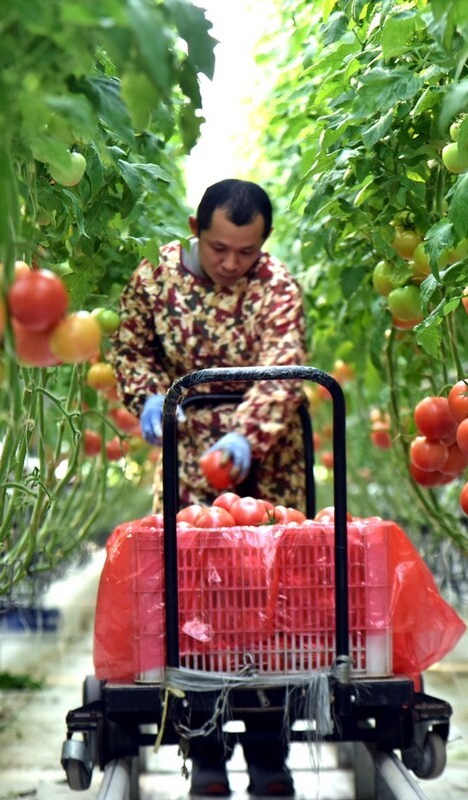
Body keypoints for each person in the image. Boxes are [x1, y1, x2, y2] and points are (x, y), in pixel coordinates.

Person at [109, 178, 307, 797]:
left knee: (277, 605)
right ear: (196, 230)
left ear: (263, 245)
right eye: (220, 248)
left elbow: (284, 367)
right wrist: (148, 396)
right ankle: (206, 751)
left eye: (247, 252)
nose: (231, 263)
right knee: (192, 606)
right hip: (186, 462)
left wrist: (246, 437)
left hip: (269, 466)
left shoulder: (276, 288)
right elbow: (130, 349)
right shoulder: (154, 280)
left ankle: (271, 754)